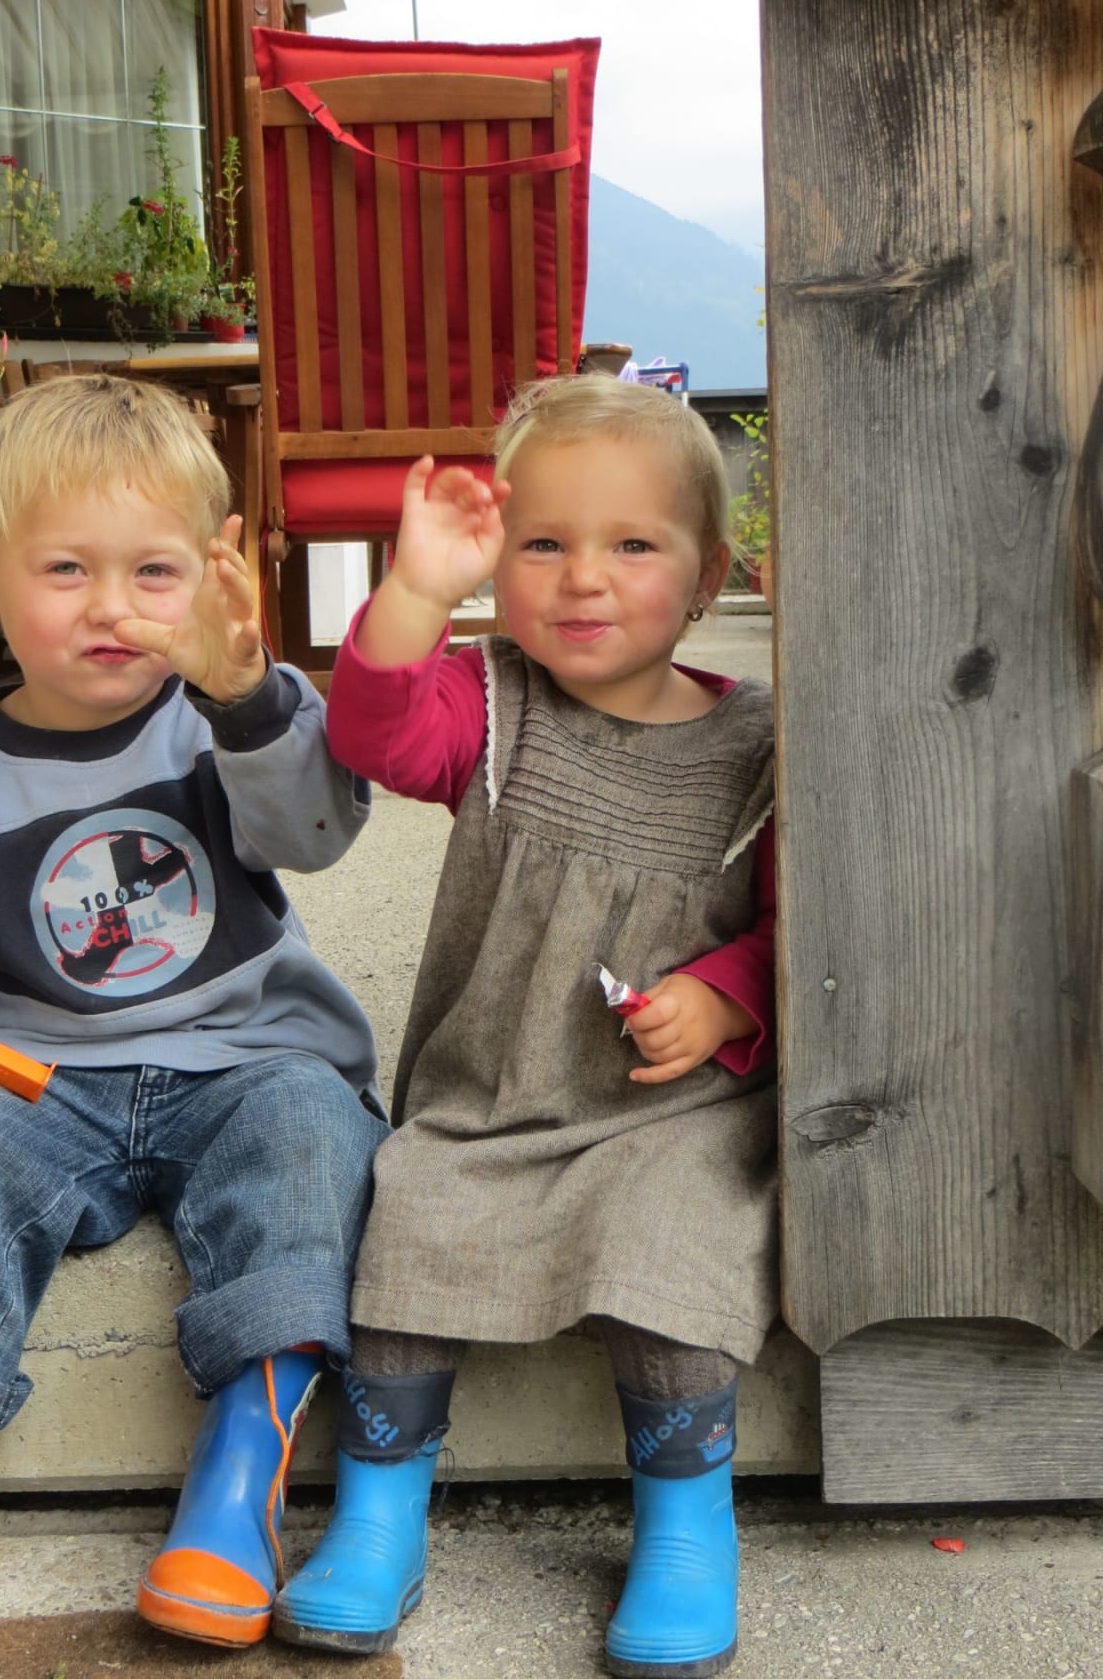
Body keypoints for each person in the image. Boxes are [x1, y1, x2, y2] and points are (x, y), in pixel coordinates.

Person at [0, 375, 387, 1652]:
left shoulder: (225, 719)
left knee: (315, 1140)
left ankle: (243, 1466)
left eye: (153, 573)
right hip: (37, 1076)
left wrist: (249, 695)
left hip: (244, 1056)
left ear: (215, 579)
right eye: (66, 569)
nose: (112, 607)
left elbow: (317, 827)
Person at [274, 373, 776, 1677]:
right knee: (409, 1222)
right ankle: (379, 1513)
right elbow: (374, 731)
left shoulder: (763, 748)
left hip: (670, 1118)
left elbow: (808, 932)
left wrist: (727, 991)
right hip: (488, 1102)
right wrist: (417, 590)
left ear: (711, 574)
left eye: (634, 545)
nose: (583, 578)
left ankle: (685, 1527)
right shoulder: (493, 704)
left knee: (676, 1249)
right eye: (542, 543)